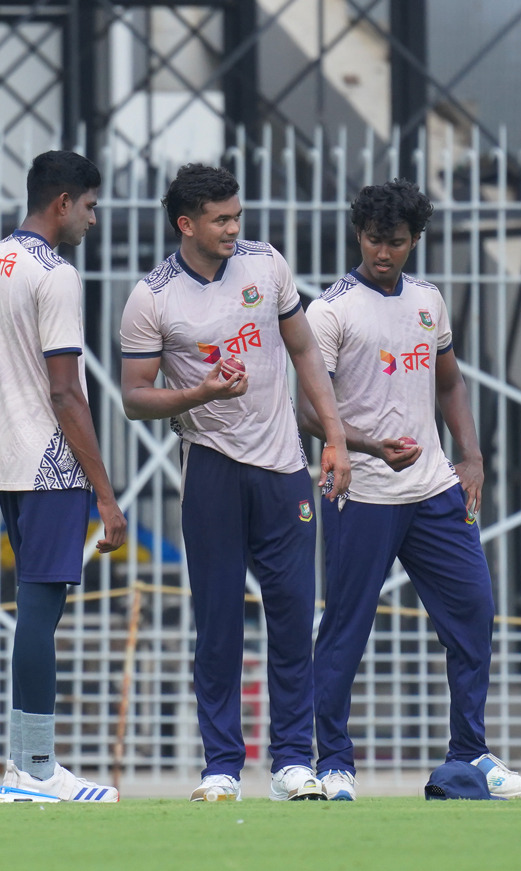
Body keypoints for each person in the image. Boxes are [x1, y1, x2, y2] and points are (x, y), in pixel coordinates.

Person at [298, 178, 521, 800]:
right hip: (368, 490)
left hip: (434, 489)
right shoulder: (330, 311)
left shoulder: (428, 300)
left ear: (415, 241)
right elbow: (307, 411)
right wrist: (366, 446)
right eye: (376, 240)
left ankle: (470, 757)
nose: (385, 253)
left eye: (398, 242)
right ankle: (334, 764)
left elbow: (450, 383)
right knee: (347, 628)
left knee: (473, 612)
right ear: (360, 235)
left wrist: (471, 455)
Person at [118, 163, 351, 802]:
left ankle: (292, 763)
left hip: (283, 468)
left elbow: (304, 350)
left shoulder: (266, 264)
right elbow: (134, 398)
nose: (232, 229)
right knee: (217, 623)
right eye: (219, 219)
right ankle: (221, 766)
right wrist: (199, 392)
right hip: (212, 468)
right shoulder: (153, 296)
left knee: (292, 617)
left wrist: (332, 437)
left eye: (236, 216)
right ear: (185, 224)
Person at [0, 150, 128, 802]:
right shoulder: (55, 274)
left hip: (0, 456)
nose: (94, 219)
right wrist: (108, 496)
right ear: (63, 202)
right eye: (90, 206)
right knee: (40, 612)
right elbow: (65, 392)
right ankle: (36, 768)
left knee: (30, 611)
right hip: (49, 461)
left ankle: (22, 766)